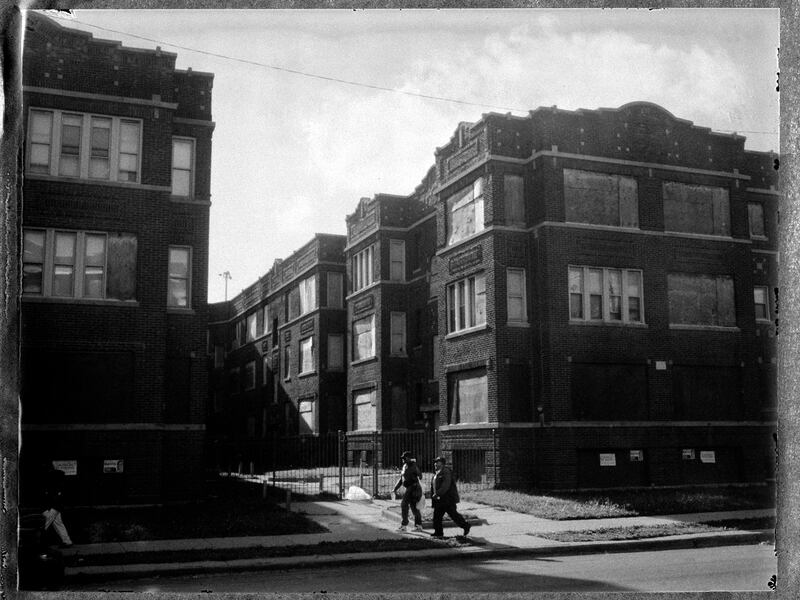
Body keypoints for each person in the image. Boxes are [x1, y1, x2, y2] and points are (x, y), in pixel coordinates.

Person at [430, 455, 470, 538]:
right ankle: (438, 532)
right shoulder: (437, 473)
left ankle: (466, 526)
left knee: (453, 515)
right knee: (437, 516)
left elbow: (446, 485)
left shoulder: (446, 471)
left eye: (437, 462)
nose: (435, 464)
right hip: (440, 499)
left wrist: (437, 493)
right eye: (435, 462)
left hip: (448, 499)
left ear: (442, 463)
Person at [42, 463, 72, 548]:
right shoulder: (59, 480)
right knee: (58, 524)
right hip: (56, 506)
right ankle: (67, 541)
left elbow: (50, 495)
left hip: (52, 507)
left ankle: (39, 542)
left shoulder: (50, 479)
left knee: (45, 524)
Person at [392, 451, 423, 532]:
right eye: (402, 458)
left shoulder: (413, 466)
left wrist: (415, 478)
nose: (403, 459)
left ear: (409, 458)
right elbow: (401, 478)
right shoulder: (405, 466)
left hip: (413, 488)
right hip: (409, 488)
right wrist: (395, 488)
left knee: (404, 504)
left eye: (404, 458)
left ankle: (404, 526)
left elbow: (420, 476)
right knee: (413, 507)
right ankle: (418, 526)